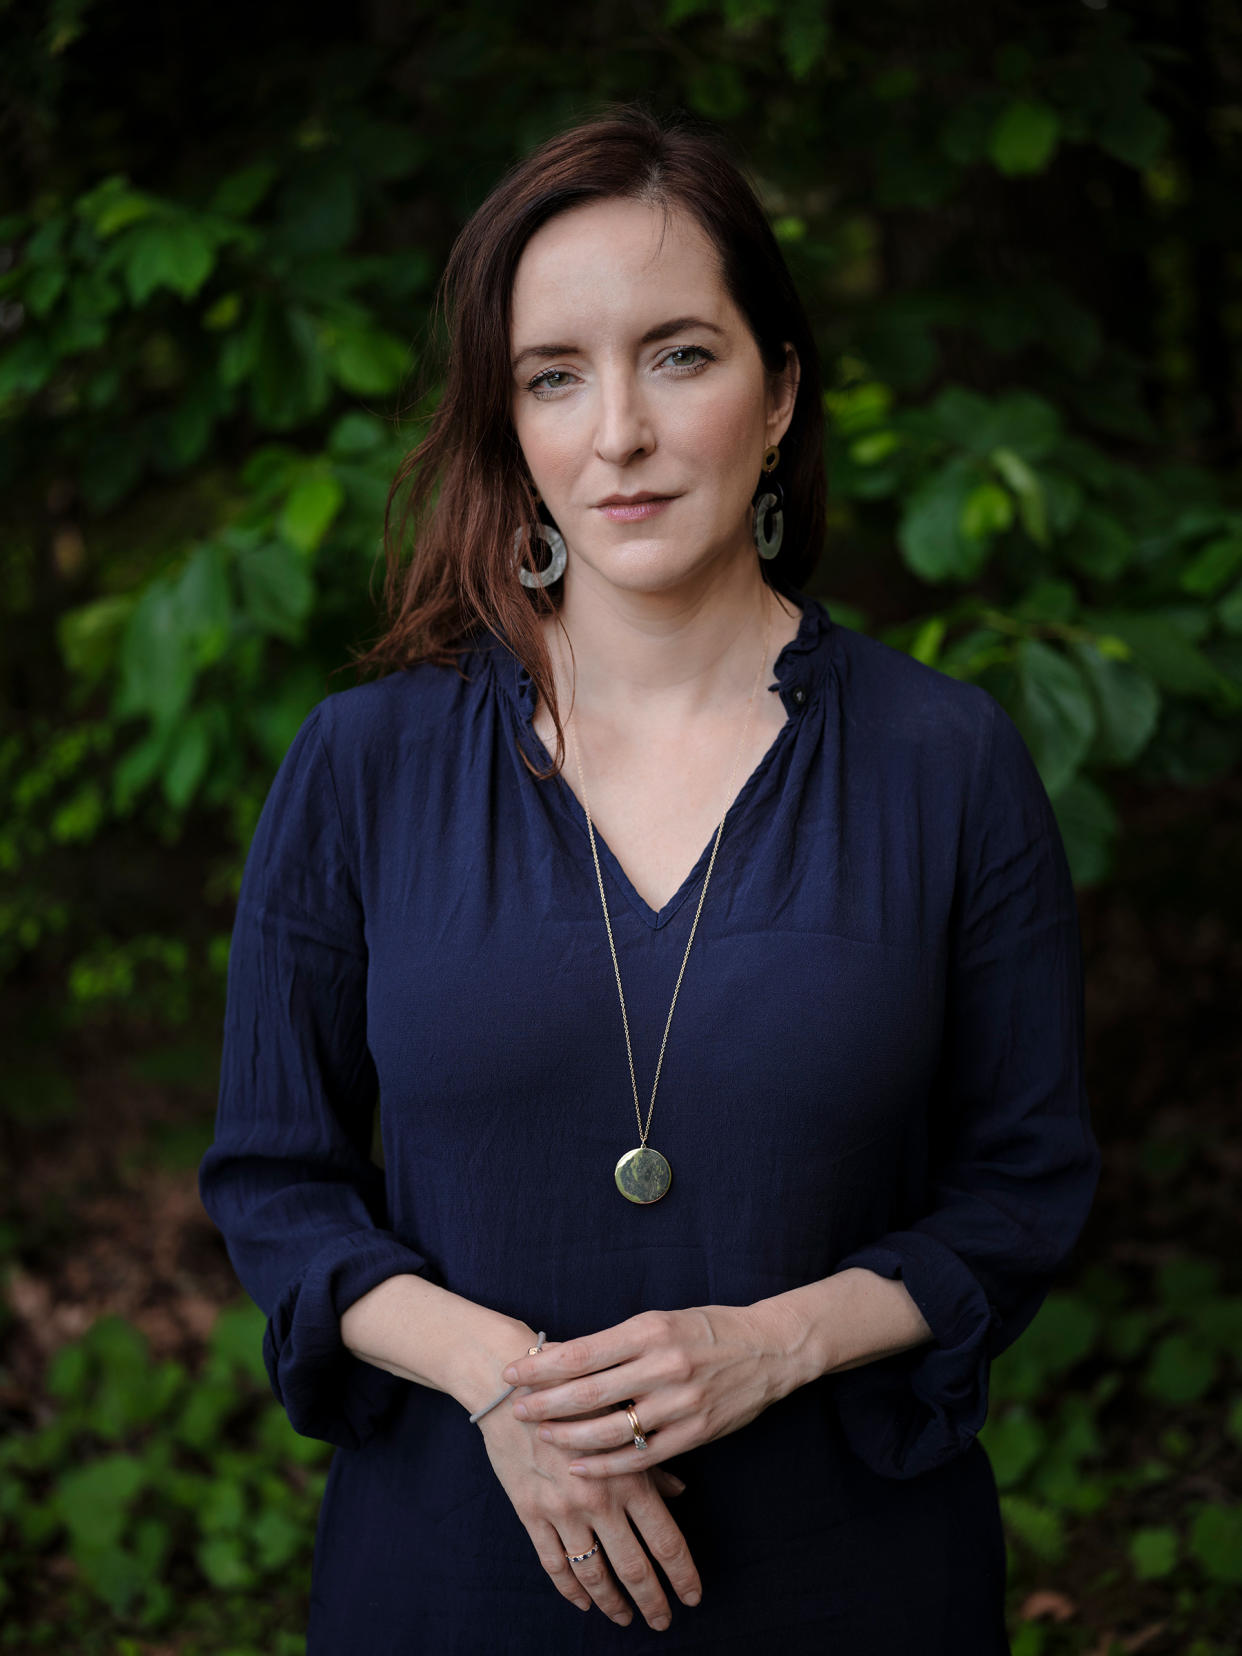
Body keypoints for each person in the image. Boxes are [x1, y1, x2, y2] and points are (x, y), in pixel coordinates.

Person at [198, 102, 1102, 1654]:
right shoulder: (363, 767)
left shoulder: (943, 761)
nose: (614, 431)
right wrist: (500, 1382)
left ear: (777, 395)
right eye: (555, 376)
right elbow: (275, 1187)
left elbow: (1022, 1191)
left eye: (677, 355)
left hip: (852, 1577)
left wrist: (767, 1346)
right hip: (455, 1577)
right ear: (511, 423)